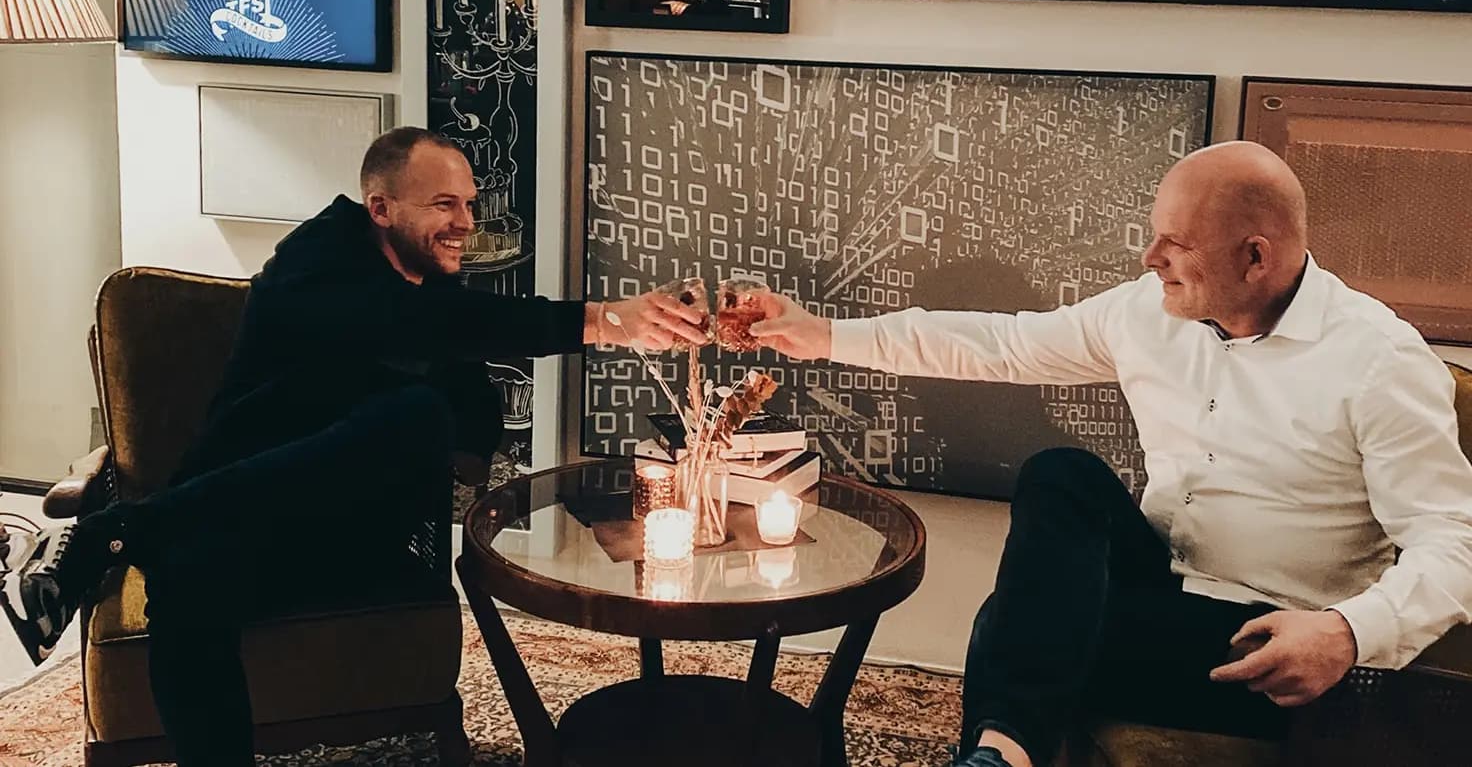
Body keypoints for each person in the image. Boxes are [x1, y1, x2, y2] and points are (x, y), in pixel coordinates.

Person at [748, 141, 1472, 767]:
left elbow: (1455, 545)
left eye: (1176, 243)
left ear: (1256, 257)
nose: (1151, 258)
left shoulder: (1380, 361)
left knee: (1010, 623)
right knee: (1061, 475)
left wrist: (1347, 633)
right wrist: (824, 336)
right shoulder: (1147, 313)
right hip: (1159, 582)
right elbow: (1002, 344)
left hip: (1270, 634)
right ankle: (1004, 754)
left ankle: (999, 748)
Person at [0, 126, 706, 766]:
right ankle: (124, 538)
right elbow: (418, 325)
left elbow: (464, 396)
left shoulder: (428, 288)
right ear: (380, 208)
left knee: (414, 416)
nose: (466, 222)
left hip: (348, 530)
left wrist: (471, 393)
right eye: (444, 204)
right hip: (237, 507)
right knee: (189, 581)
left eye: (468, 203)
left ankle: (117, 532)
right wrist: (603, 320)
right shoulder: (316, 261)